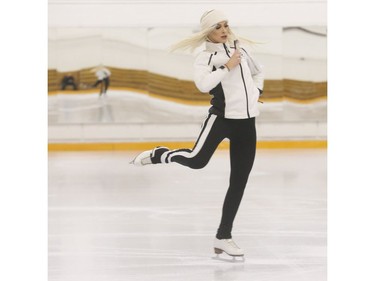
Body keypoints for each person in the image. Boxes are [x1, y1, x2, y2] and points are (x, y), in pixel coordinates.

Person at [131, 9, 264, 259]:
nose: (224, 30)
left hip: (247, 123)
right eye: (217, 27)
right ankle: (161, 155)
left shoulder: (242, 50)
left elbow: (258, 72)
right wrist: (227, 66)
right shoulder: (205, 57)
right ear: (208, 32)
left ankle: (223, 237)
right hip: (221, 119)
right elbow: (203, 85)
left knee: (239, 181)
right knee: (196, 160)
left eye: (225, 25)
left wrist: (258, 92)